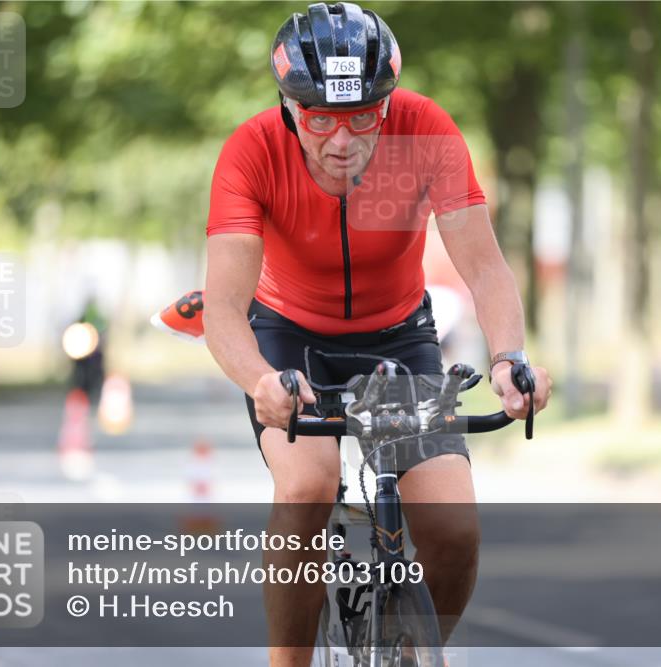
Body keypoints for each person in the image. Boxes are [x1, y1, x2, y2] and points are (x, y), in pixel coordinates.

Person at [202, 3, 553, 665]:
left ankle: (415, 652)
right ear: (288, 107)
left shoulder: (426, 131)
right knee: (306, 486)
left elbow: (483, 264)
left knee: (453, 529)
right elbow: (223, 305)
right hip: (287, 338)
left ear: (388, 104)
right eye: (321, 120)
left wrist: (511, 358)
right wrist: (258, 380)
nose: (342, 141)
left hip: (398, 337)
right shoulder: (250, 152)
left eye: (364, 116)